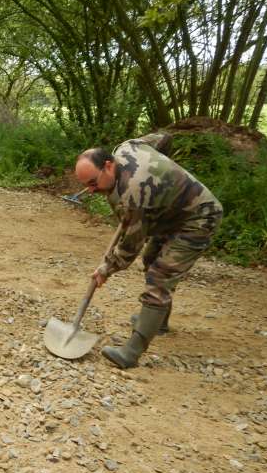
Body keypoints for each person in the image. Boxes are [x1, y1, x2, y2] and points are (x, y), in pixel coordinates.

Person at [74, 132, 223, 369]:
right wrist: (163, 174)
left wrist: (106, 269)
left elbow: (130, 247)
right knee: (151, 257)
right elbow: (163, 138)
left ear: (109, 166)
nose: (90, 190)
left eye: (93, 183)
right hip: (170, 213)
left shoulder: (134, 195)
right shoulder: (126, 146)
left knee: (160, 276)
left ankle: (131, 353)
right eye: (85, 186)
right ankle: (159, 321)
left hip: (198, 218)